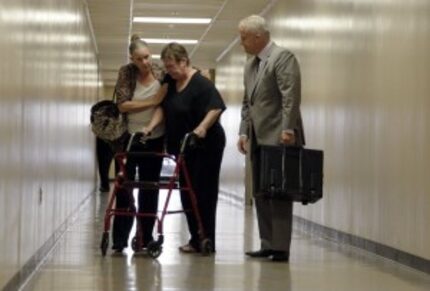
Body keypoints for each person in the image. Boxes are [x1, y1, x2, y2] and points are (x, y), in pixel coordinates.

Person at [237, 15, 305, 262]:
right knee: (261, 192)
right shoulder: (249, 65)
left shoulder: (282, 57)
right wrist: (244, 131)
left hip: (279, 136)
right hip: (257, 137)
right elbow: (248, 103)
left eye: (243, 37)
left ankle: (280, 247)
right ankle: (267, 243)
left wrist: (289, 129)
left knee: (279, 194)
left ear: (258, 36)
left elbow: (291, 95)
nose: (241, 42)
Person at [149, 42, 226, 253]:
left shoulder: (201, 83)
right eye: (166, 67)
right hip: (183, 146)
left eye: (172, 66)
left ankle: (207, 239)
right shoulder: (171, 82)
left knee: (203, 193)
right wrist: (150, 127)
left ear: (184, 61)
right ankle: (195, 238)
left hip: (205, 145)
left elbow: (216, 107)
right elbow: (163, 109)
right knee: (186, 192)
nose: (169, 71)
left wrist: (201, 128)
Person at [111, 34, 166, 253]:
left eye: (147, 57)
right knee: (124, 188)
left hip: (154, 138)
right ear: (131, 59)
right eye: (139, 59)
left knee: (150, 189)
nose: (145, 63)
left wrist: (151, 125)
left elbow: (164, 105)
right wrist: (152, 101)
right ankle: (120, 239)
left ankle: (145, 237)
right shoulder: (126, 72)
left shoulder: (161, 72)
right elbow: (123, 105)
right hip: (129, 138)